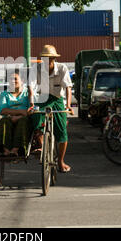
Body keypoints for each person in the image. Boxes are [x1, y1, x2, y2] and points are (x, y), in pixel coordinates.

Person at [30, 45, 73, 173]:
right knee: (36, 116)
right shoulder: (36, 69)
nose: (46, 61)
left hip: (57, 99)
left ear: (54, 58)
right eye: (44, 58)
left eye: (49, 58)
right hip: (42, 98)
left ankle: (60, 161)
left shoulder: (62, 68)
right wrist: (31, 103)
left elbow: (68, 88)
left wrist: (68, 105)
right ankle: (41, 145)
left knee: (62, 132)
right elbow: (31, 88)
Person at [0, 70, 34, 157]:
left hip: (24, 118)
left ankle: (16, 150)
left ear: (22, 81)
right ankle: (6, 150)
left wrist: (18, 116)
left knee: (23, 121)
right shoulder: (4, 94)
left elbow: (31, 109)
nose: (12, 81)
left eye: (15, 79)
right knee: (4, 121)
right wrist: (21, 112)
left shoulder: (27, 93)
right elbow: (3, 110)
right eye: (10, 79)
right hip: (9, 118)